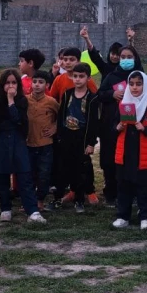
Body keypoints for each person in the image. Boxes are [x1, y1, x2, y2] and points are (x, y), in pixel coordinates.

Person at [0, 68, 47, 224]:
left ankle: (32, 211)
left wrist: (11, 101)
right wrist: (6, 102)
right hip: (1, 140)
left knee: (24, 176)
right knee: (1, 176)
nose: (11, 86)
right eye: (7, 83)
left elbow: (18, 120)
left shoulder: (21, 101)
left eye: (14, 82)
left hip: (18, 140)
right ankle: (5, 208)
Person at [112, 71, 147, 230]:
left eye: (139, 84)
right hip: (125, 154)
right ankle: (123, 216)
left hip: (143, 155)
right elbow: (112, 128)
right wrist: (118, 127)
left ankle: (145, 216)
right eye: (132, 84)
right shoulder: (123, 105)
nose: (135, 87)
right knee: (124, 186)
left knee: (144, 187)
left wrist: (145, 129)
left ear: (145, 85)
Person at [93, 44, 142, 205]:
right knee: (110, 158)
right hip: (110, 125)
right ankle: (110, 193)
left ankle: (132, 192)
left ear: (135, 59)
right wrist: (112, 94)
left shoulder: (140, 77)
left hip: (133, 125)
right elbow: (99, 94)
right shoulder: (111, 76)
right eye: (123, 57)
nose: (126, 60)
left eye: (129, 57)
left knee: (131, 158)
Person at [56, 62, 98, 212]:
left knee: (81, 168)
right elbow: (61, 115)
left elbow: (93, 123)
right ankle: (67, 194)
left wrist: (91, 143)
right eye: (75, 76)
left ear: (88, 78)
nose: (78, 79)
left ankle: (80, 200)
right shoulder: (67, 94)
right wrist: (59, 135)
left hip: (82, 137)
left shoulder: (92, 98)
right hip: (67, 136)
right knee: (66, 166)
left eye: (81, 76)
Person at [27, 70, 59, 210]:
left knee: (44, 174)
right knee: (29, 174)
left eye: (41, 82)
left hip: (46, 144)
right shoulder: (24, 100)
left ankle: (40, 199)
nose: (37, 85)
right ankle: (29, 200)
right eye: (35, 82)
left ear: (47, 85)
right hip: (28, 144)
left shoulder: (51, 102)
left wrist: (55, 127)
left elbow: (62, 117)